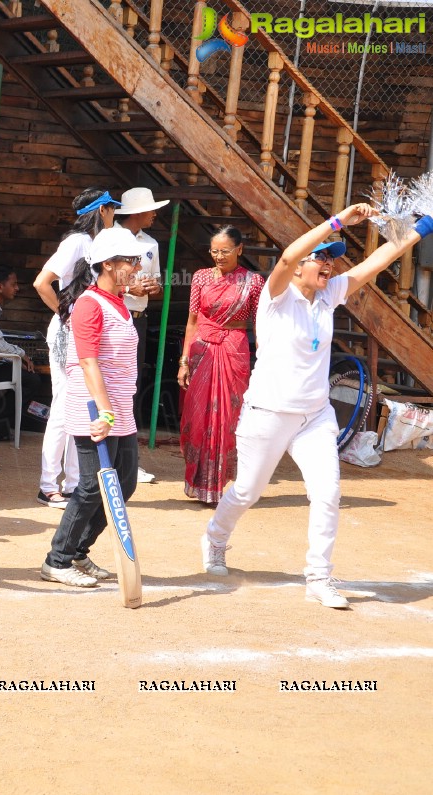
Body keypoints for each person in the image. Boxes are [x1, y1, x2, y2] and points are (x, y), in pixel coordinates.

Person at [202, 202, 432, 609]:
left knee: (327, 493)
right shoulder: (275, 296)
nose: (328, 265)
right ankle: (216, 538)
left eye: (332, 259)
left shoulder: (329, 297)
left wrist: (423, 227)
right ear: (301, 267)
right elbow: (289, 255)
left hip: (315, 416)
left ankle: (319, 577)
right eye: (321, 258)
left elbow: (378, 260)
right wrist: (339, 220)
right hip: (268, 412)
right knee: (247, 492)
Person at [40, 226, 143, 588]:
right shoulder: (88, 304)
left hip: (119, 406)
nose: (135, 266)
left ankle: (79, 551)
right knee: (90, 486)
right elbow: (87, 361)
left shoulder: (119, 302)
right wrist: (104, 411)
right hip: (94, 406)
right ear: (110, 265)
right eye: (130, 261)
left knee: (124, 483)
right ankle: (57, 560)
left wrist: (115, 409)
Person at [32, 188, 119, 509]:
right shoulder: (76, 242)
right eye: (111, 209)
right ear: (101, 211)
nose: (114, 215)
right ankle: (47, 484)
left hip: (83, 329)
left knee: (80, 406)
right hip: (69, 331)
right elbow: (42, 282)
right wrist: (67, 315)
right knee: (63, 405)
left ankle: (71, 483)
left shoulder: (96, 244)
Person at [178, 226, 265, 504]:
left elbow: (259, 324)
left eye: (224, 251)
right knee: (198, 414)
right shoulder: (200, 277)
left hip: (234, 348)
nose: (218, 256)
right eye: (214, 251)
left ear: (239, 249)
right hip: (201, 349)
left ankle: (224, 483)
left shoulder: (253, 282)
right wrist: (183, 361)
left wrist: (264, 359)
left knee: (230, 415)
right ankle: (200, 482)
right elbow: (192, 321)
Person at [113, 187, 167, 483]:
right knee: (112, 384)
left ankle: (128, 461)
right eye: (151, 209)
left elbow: (157, 283)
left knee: (131, 386)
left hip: (139, 319)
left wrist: (152, 288)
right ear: (136, 213)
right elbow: (98, 280)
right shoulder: (110, 238)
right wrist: (126, 289)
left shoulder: (151, 244)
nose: (155, 214)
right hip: (113, 317)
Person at [0, 268, 39, 440]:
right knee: (32, 380)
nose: (17, 288)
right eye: (14, 284)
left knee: (28, 376)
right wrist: (21, 354)